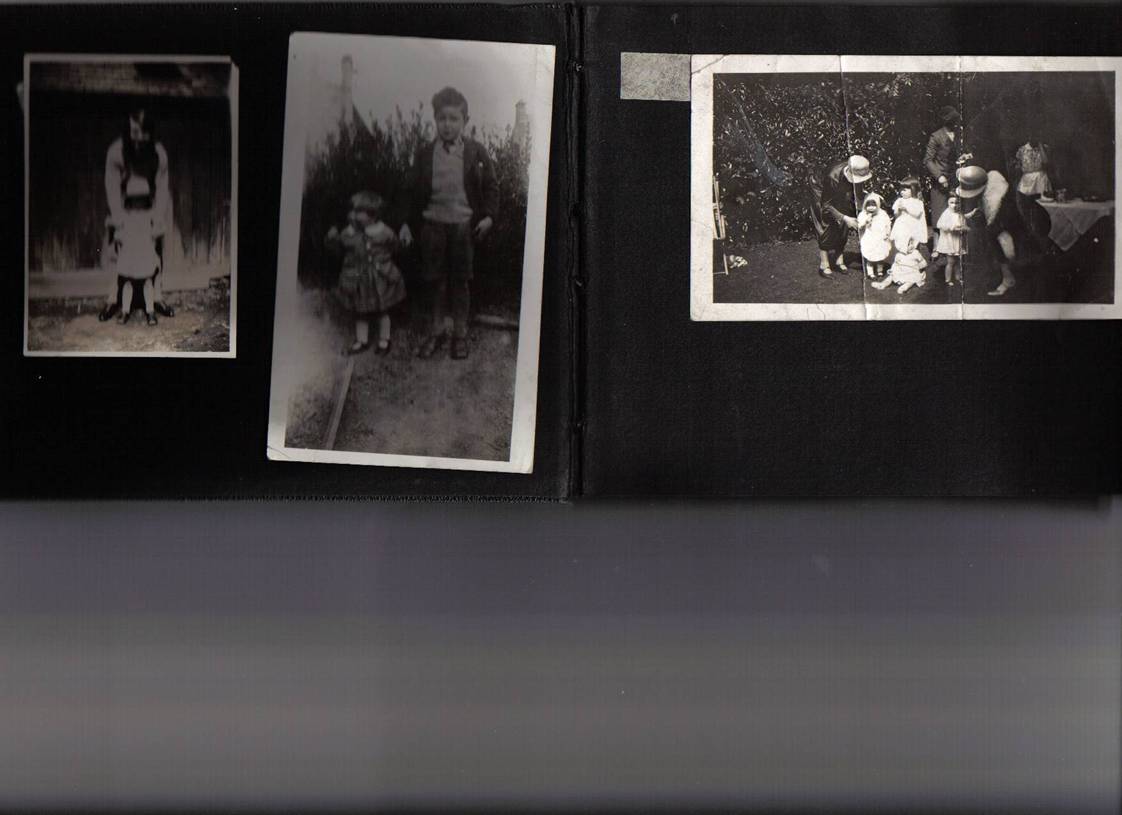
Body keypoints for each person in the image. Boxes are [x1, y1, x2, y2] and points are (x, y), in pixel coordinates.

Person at [398, 86, 498, 361]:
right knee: (435, 282)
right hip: (433, 226)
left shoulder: (476, 153)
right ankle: (436, 331)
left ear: (465, 121)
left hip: (464, 227)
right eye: (442, 118)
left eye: (454, 118)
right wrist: (405, 223)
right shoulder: (425, 154)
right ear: (435, 119)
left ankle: (460, 335)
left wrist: (489, 216)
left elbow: (492, 186)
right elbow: (408, 190)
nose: (447, 125)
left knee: (461, 282)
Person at [98, 108, 176, 322]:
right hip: (124, 210)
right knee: (118, 253)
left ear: (150, 133)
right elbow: (112, 187)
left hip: (148, 209)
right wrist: (118, 220)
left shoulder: (159, 154)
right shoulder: (116, 152)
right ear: (128, 130)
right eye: (134, 132)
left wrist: (157, 219)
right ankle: (113, 299)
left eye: (143, 133)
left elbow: (162, 188)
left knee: (155, 254)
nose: (138, 138)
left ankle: (157, 297)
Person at [326, 191, 407, 355]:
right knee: (360, 310)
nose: (353, 215)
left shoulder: (384, 232)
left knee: (382, 310)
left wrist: (399, 245)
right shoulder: (348, 233)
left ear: (372, 215)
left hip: (379, 277)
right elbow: (338, 250)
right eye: (353, 211)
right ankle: (361, 340)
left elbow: (395, 247)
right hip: (358, 278)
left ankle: (384, 340)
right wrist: (332, 240)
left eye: (358, 212)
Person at [955, 165, 1020, 296]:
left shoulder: (998, 197)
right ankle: (1005, 275)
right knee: (992, 240)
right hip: (999, 222)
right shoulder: (986, 181)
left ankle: (1008, 278)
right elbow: (983, 205)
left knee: (998, 243)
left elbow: (995, 214)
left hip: (1008, 223)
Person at [109, 177, 162, 325]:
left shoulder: (149, 215)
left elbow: (158, 230)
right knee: (127, 283)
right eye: (134, 200)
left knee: (148, 282)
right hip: (130, 254)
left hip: (144, 253)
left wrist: (154, 235)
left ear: (146, 200)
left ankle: (150, 311)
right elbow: (118, 233)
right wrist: (119, 237)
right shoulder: (126, 217)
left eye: (141, 200)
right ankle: (125, 311)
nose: (138, 203)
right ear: (130, 201)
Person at [809, 155, 872, 279]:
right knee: (825, 221)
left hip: (838, 188)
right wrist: (844, 218)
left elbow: (858, 193)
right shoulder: (832, 177)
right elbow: (826, 205)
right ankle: (824, 264)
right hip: (820, 188)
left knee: (845, 213)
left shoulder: (859, 168)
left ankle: (839, 259)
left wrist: (863, 210)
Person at [924, 105, 961, 257]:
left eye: (956, 119)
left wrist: (963, 157)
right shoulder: (936, 136)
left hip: (955, 177)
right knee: (939, 212)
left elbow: (958, 154)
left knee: (955, 210)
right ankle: (936, 247)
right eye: (953, 120)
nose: (955, 122)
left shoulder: (959, 135)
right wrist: (939, 176)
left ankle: (954, 245)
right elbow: (928, 160)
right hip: (939, 180)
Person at [1012, 135, 1054, 253]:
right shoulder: (1022, 150)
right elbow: (1018, 167)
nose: (1034, 137)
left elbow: (1046, 162)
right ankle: (1032, 243)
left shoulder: (1044, 147)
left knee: (1041, 214)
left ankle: (1043, 242)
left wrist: (1040, 147)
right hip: (1026, 183)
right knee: (1027, 213)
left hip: (1041, 182)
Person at [933, 194, 968, 287]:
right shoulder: (946, 213)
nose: (954, 205)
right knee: (951, 261)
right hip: (949, 240)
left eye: (956, 203)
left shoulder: (960, 213)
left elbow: (963, 223)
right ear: (948, 203)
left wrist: (963, 228)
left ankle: (958, 276)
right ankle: (948, 279)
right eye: (951, 203)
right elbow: (940, 225)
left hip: (957, 239)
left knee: (958, 261)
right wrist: (951, 227)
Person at [890, 176, 929, 256]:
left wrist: (906, 209)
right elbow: (896, 215)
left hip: (913, 225)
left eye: (904, 190)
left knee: (913, 244)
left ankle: (914, 259)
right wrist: (898, 210)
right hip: (902, 226)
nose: (901, 192)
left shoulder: (917, 202)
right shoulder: (899, 200)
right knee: (901, 242)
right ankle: (901, 258)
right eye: (901, 190)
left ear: (913, 190)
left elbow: (918, 214)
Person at [857, 192, 892, 279]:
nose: (871, 207)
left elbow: (887, 224)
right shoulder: (863, 214)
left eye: (873, 205)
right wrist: (865, 221)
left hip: (880, 238)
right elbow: (859, 226)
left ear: (878, 205)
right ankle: (870, 272)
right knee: (870, 256)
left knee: (880, 255)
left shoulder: (882, 214)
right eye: (868, 205)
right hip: (869, 238)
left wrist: (887, 233)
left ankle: (880, 271)